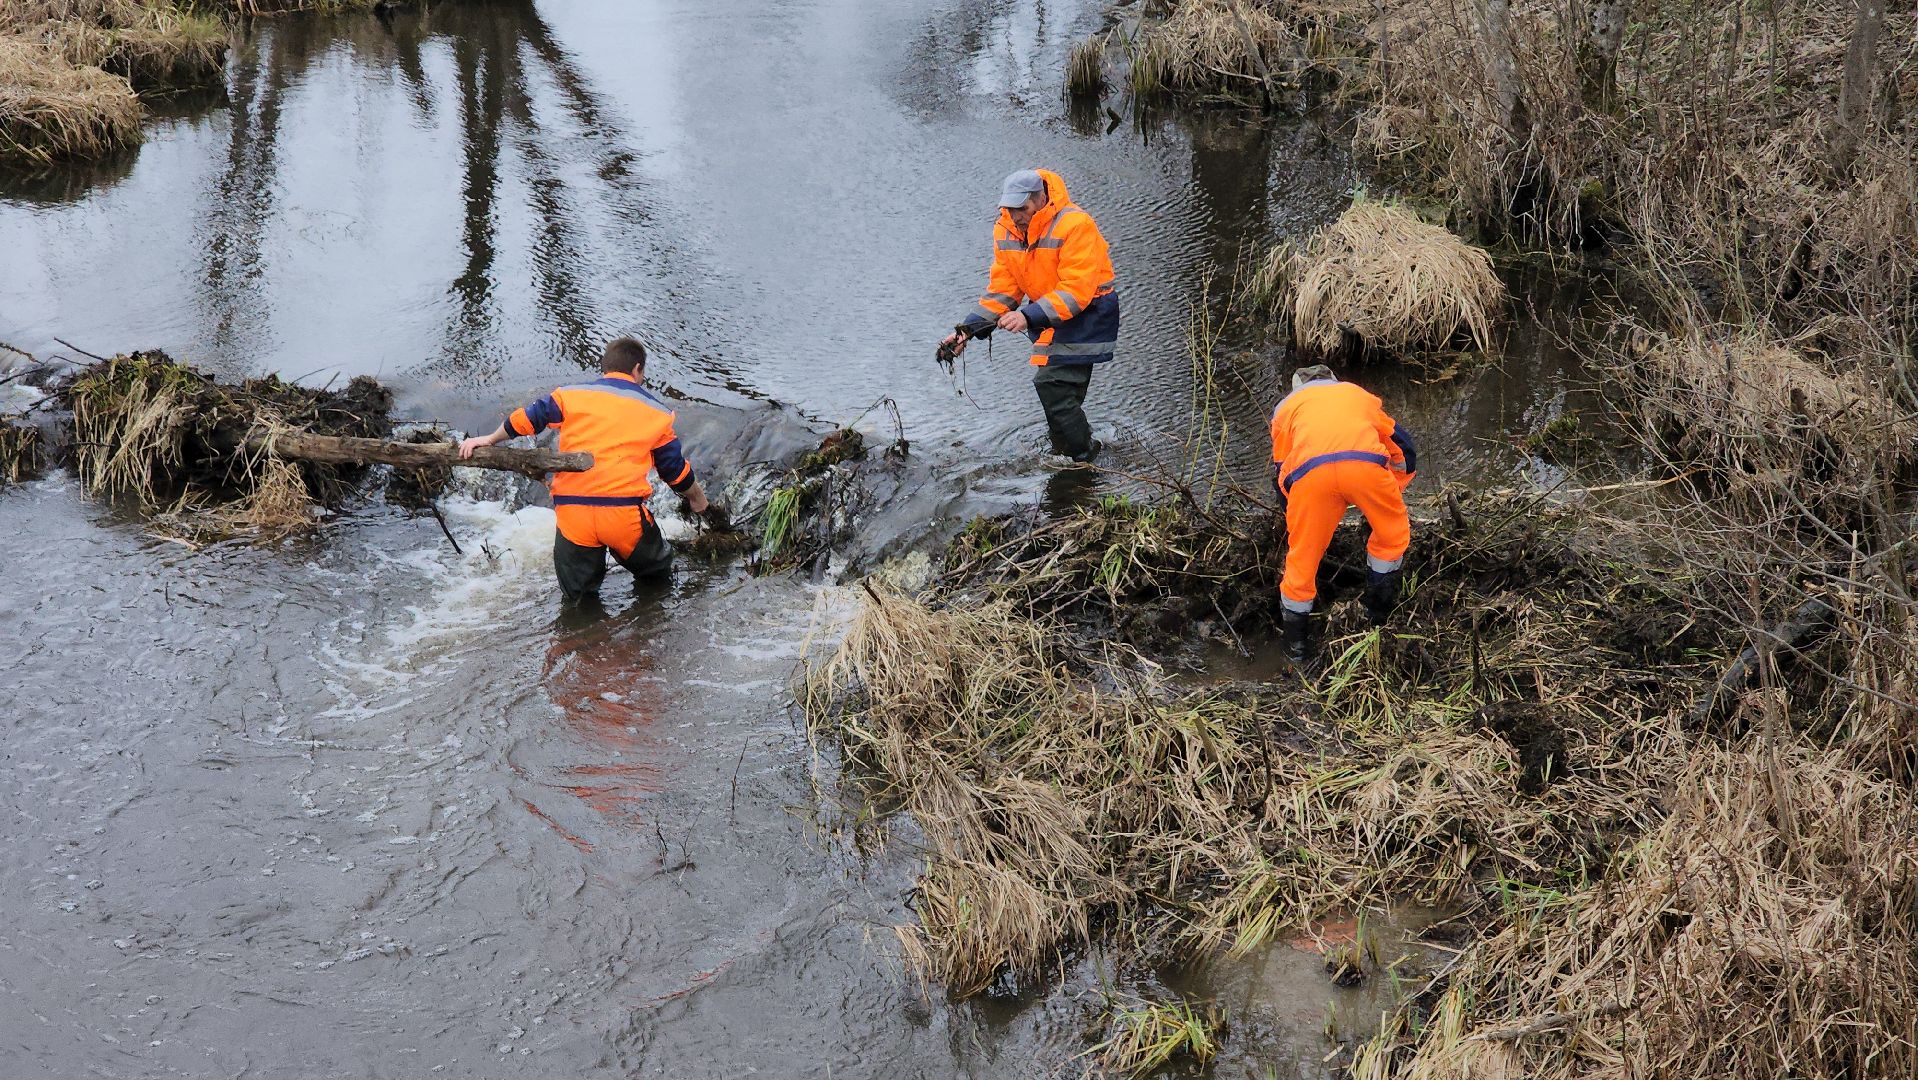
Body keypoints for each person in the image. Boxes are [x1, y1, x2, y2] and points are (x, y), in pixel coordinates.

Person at [459, 336, 713, 603]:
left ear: (604, 368)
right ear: (638, 369)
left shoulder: (570, 396)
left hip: (573, 515)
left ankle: (582, 639)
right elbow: (674, 470)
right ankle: (646, 630)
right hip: (622, 517)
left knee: (577, 601)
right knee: (657, 578)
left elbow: (528, 418)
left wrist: (488, 439)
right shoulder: (657, 412)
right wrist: (698, 499)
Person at [940, 168, 1119, 464]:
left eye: (1021, 209)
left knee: (1053, 384)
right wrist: (967, 331)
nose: (1015, 216)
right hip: (1049, 315)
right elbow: (1003, 290)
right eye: (1009, 209)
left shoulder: (1075, 225)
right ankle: (1068, 453)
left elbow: (1077, 290)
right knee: (1057, 391)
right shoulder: (1005, 229)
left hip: (1090, 314)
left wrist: (1027, 317)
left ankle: (1085, 458)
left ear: (1040, 199)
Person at [1269, 364, 1417, 664]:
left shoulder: (1285, 410)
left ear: (1297, 389)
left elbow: (1282, 469)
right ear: (1334, 381)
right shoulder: (1358, 394)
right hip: (1365, 468)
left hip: (1311, 478)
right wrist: (1390, 491)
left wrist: (1293, 513)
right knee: (1391, 537)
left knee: (1302, 559)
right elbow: (1404, 448)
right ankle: (1378, 618)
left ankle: (1295, 650)